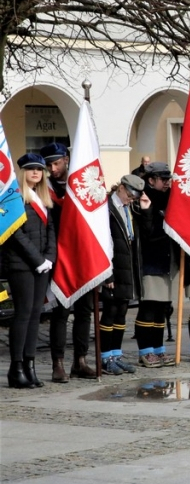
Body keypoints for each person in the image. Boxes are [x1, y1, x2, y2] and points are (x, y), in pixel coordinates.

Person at [41, 142, 93, 380]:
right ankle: (58, 363)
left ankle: (80, 360)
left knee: (84, 311)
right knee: (60, 313)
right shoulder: (44, 190)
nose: (53, 169)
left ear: (66, 160)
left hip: (82, 254)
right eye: (49, 164)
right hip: (59, 257)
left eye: (57, 163)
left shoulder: (79, 185)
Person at [4, 154, 56, 388]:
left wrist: (49, 258)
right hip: (21, 264)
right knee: (23, 314)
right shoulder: (15, 198)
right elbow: (15, 234)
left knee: (36, 315)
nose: (36, 173)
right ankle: (16, 369)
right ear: (22, 171)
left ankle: (29, 365)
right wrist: (37, 259)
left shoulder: (43, 198)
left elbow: (51, 231)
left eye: (39, 169)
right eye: (31, 169)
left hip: (42, 264)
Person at [99, 175, 148, 375]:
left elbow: (142, 233)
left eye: (135, 197)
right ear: (120, 188)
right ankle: (105, 357)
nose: (131, 199)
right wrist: (107, 275)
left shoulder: (131, 209)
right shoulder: (107, 208)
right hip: (113, 269)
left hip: (128, 268)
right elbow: (103, 242)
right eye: (129, 194)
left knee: (121, 314)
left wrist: (145, 209)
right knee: (109, 313)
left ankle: (116, 355)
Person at [136, 161, 177, 367]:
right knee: (149, 307)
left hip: (165, 260)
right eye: (163, 179)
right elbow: (147, 232)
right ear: (151, 180)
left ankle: (158, 349)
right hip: (150, 259)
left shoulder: (169, 199)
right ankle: (146, 351)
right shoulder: (144, 198)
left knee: (161, 308)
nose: (167, 183)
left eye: (168, 179)